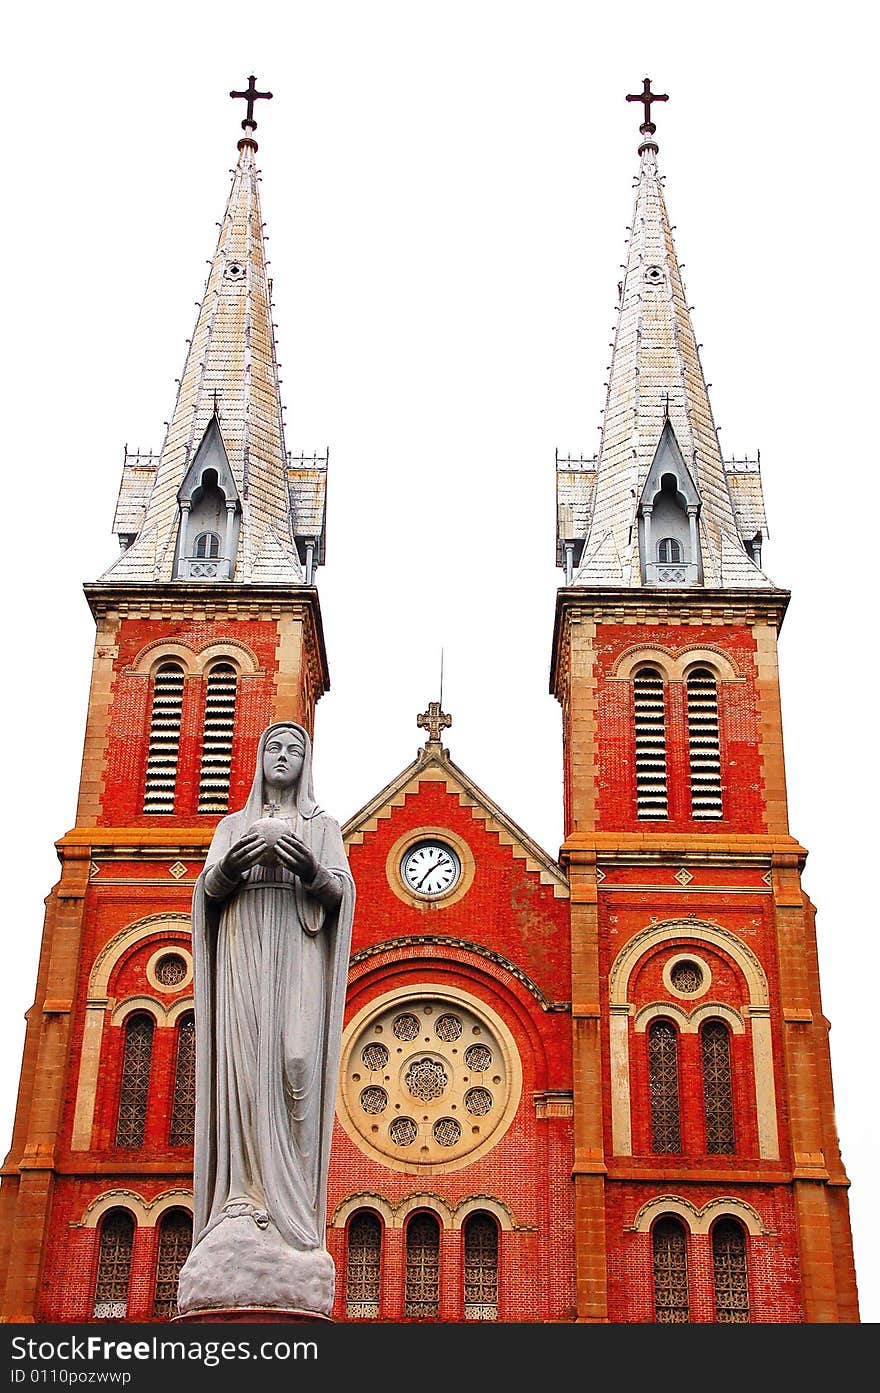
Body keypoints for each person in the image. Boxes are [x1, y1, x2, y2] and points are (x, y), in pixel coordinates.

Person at [187, 721, 355, 1260]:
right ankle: (241, 1193)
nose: (283, 757)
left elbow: (339, 892)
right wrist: (231, 868)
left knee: (297, 1060)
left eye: (294, 750)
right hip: (245, 950)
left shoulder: (323, 826)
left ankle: (294, 1203)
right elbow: (208, 889)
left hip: (297, 952)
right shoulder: (233, 824)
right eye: (273, 748)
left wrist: (308, 866)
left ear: (308, 763)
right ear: (258, 759)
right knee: (242, 1066)